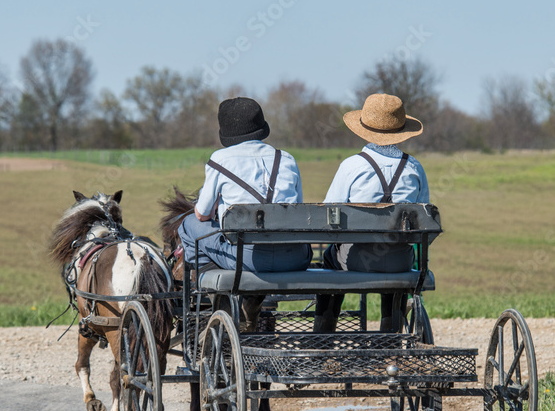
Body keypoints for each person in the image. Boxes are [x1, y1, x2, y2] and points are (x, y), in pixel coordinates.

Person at [313, 93, 430, 333]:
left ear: (364, 129)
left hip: (359, 260)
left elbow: (327, 214)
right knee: (396, 258)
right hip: (401, 261)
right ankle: (390, 336)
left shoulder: (352, 166)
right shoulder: (415, 168)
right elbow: (424, 218)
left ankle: (323, 336)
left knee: (328, 259)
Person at [177, 97, 311, 273]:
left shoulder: (220, 160)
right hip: (295, 258)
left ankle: (210, 283)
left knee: (188, 223)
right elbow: (298, 209)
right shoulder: (287, 159)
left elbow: (202, 215)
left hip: (248, 260)